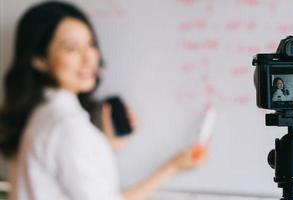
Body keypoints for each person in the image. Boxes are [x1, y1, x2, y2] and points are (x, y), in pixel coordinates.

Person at [0, 2, 208, 200]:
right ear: (40, 60)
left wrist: (102, 147)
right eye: (72, 48)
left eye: (91, 44)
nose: (89, 58)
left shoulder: (40, 114)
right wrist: (173, 167)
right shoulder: (67, 126)